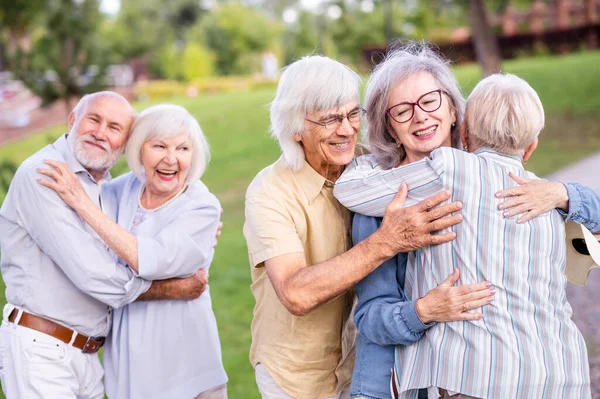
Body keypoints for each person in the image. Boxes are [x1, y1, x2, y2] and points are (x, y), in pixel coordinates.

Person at [243, 55, 492, 399]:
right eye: (330, 120)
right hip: (296, 375)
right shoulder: (269, 192)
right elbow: (295, 293)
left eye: (351, 114)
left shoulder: (369, 172)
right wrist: (387, 241)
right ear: (296, 126)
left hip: (359, 361)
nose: (346, 130)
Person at [335, 72, 591, 397]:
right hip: (561, 373)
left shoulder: (452, 169)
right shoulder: (547, 199)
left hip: (479, 380)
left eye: (429, 101)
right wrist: (423, 310)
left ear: (461, 123)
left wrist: (565, 193)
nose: (420, 115)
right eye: (402, 110)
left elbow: (350, 190)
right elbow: (374, 317)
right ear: (531, 148)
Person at [0, 92, 207, 398]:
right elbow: (94, 274)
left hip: (86, 355)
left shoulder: (103, 190)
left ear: (126, 143)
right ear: (72, 121)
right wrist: (170, 288)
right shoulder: (46, 175)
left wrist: (190, 237)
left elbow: (138, 236)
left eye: (115, 127)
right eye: (93, 120)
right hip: (42, 349)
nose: (101, 133)